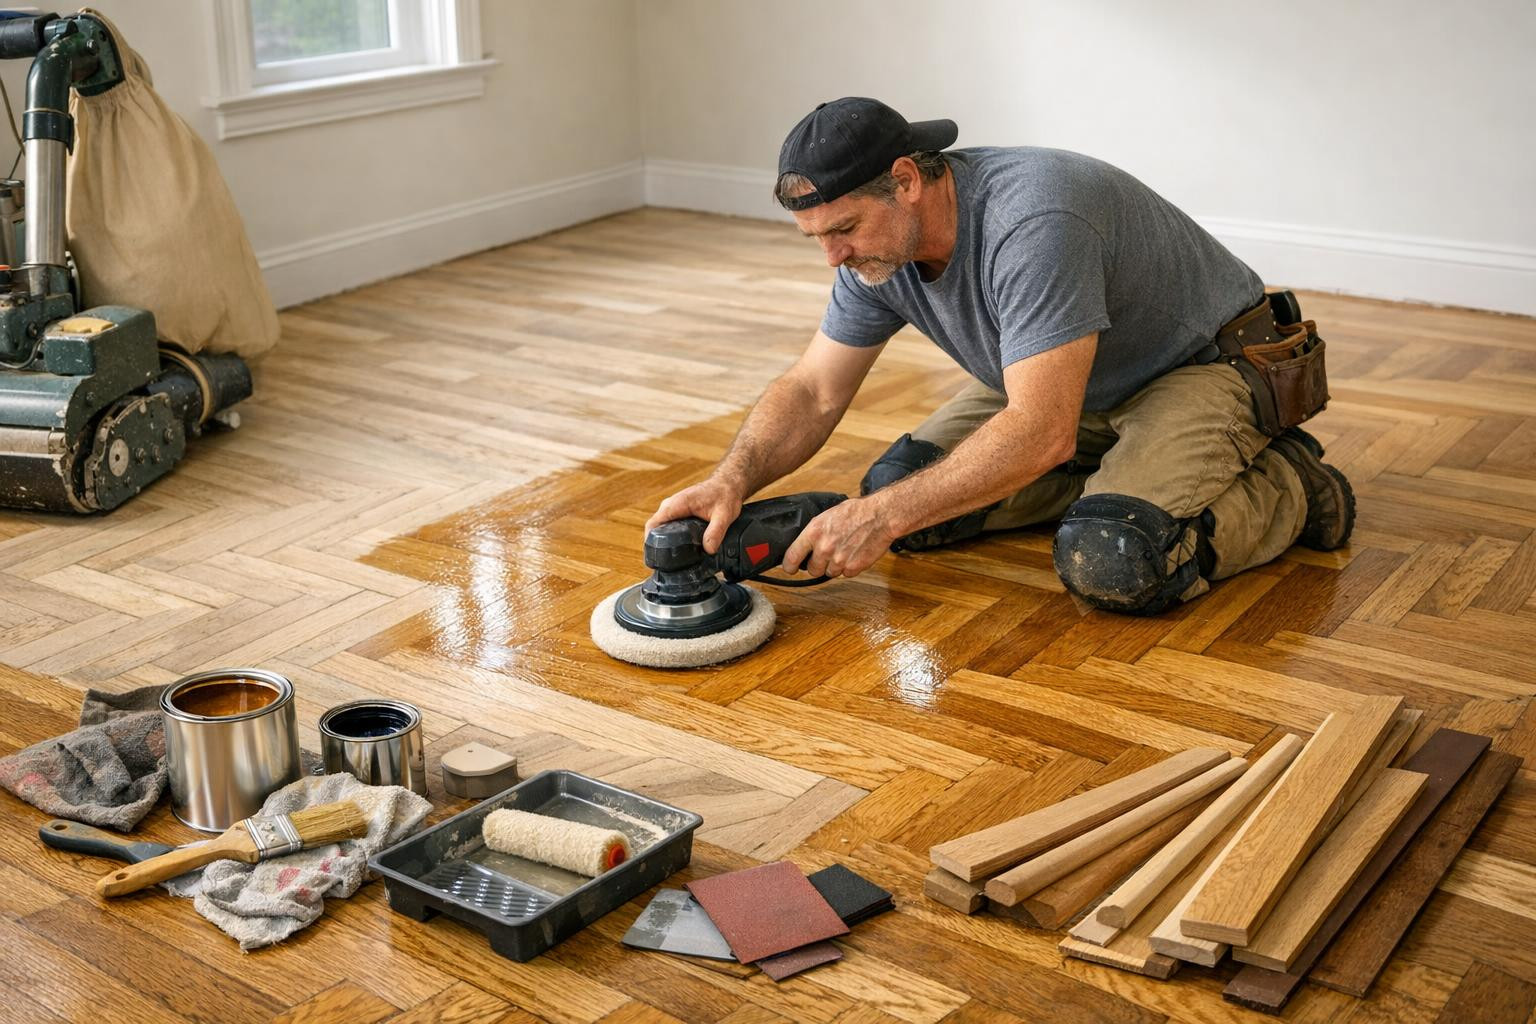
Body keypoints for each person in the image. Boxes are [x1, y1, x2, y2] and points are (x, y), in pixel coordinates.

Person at [645, 97, 1354, 615]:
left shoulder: (1034, 220)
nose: (834, 256)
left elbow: (1040, 428)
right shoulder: (875, 255)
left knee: (1115, 555)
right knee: (904, 490)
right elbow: (814, 390)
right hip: (1066, 381)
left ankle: (1292, 485)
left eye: (845, 229)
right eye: (817, 238)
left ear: (906, 179)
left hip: (1202, 366)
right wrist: (731, 479)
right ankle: (1121, 482)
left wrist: (881, 518)